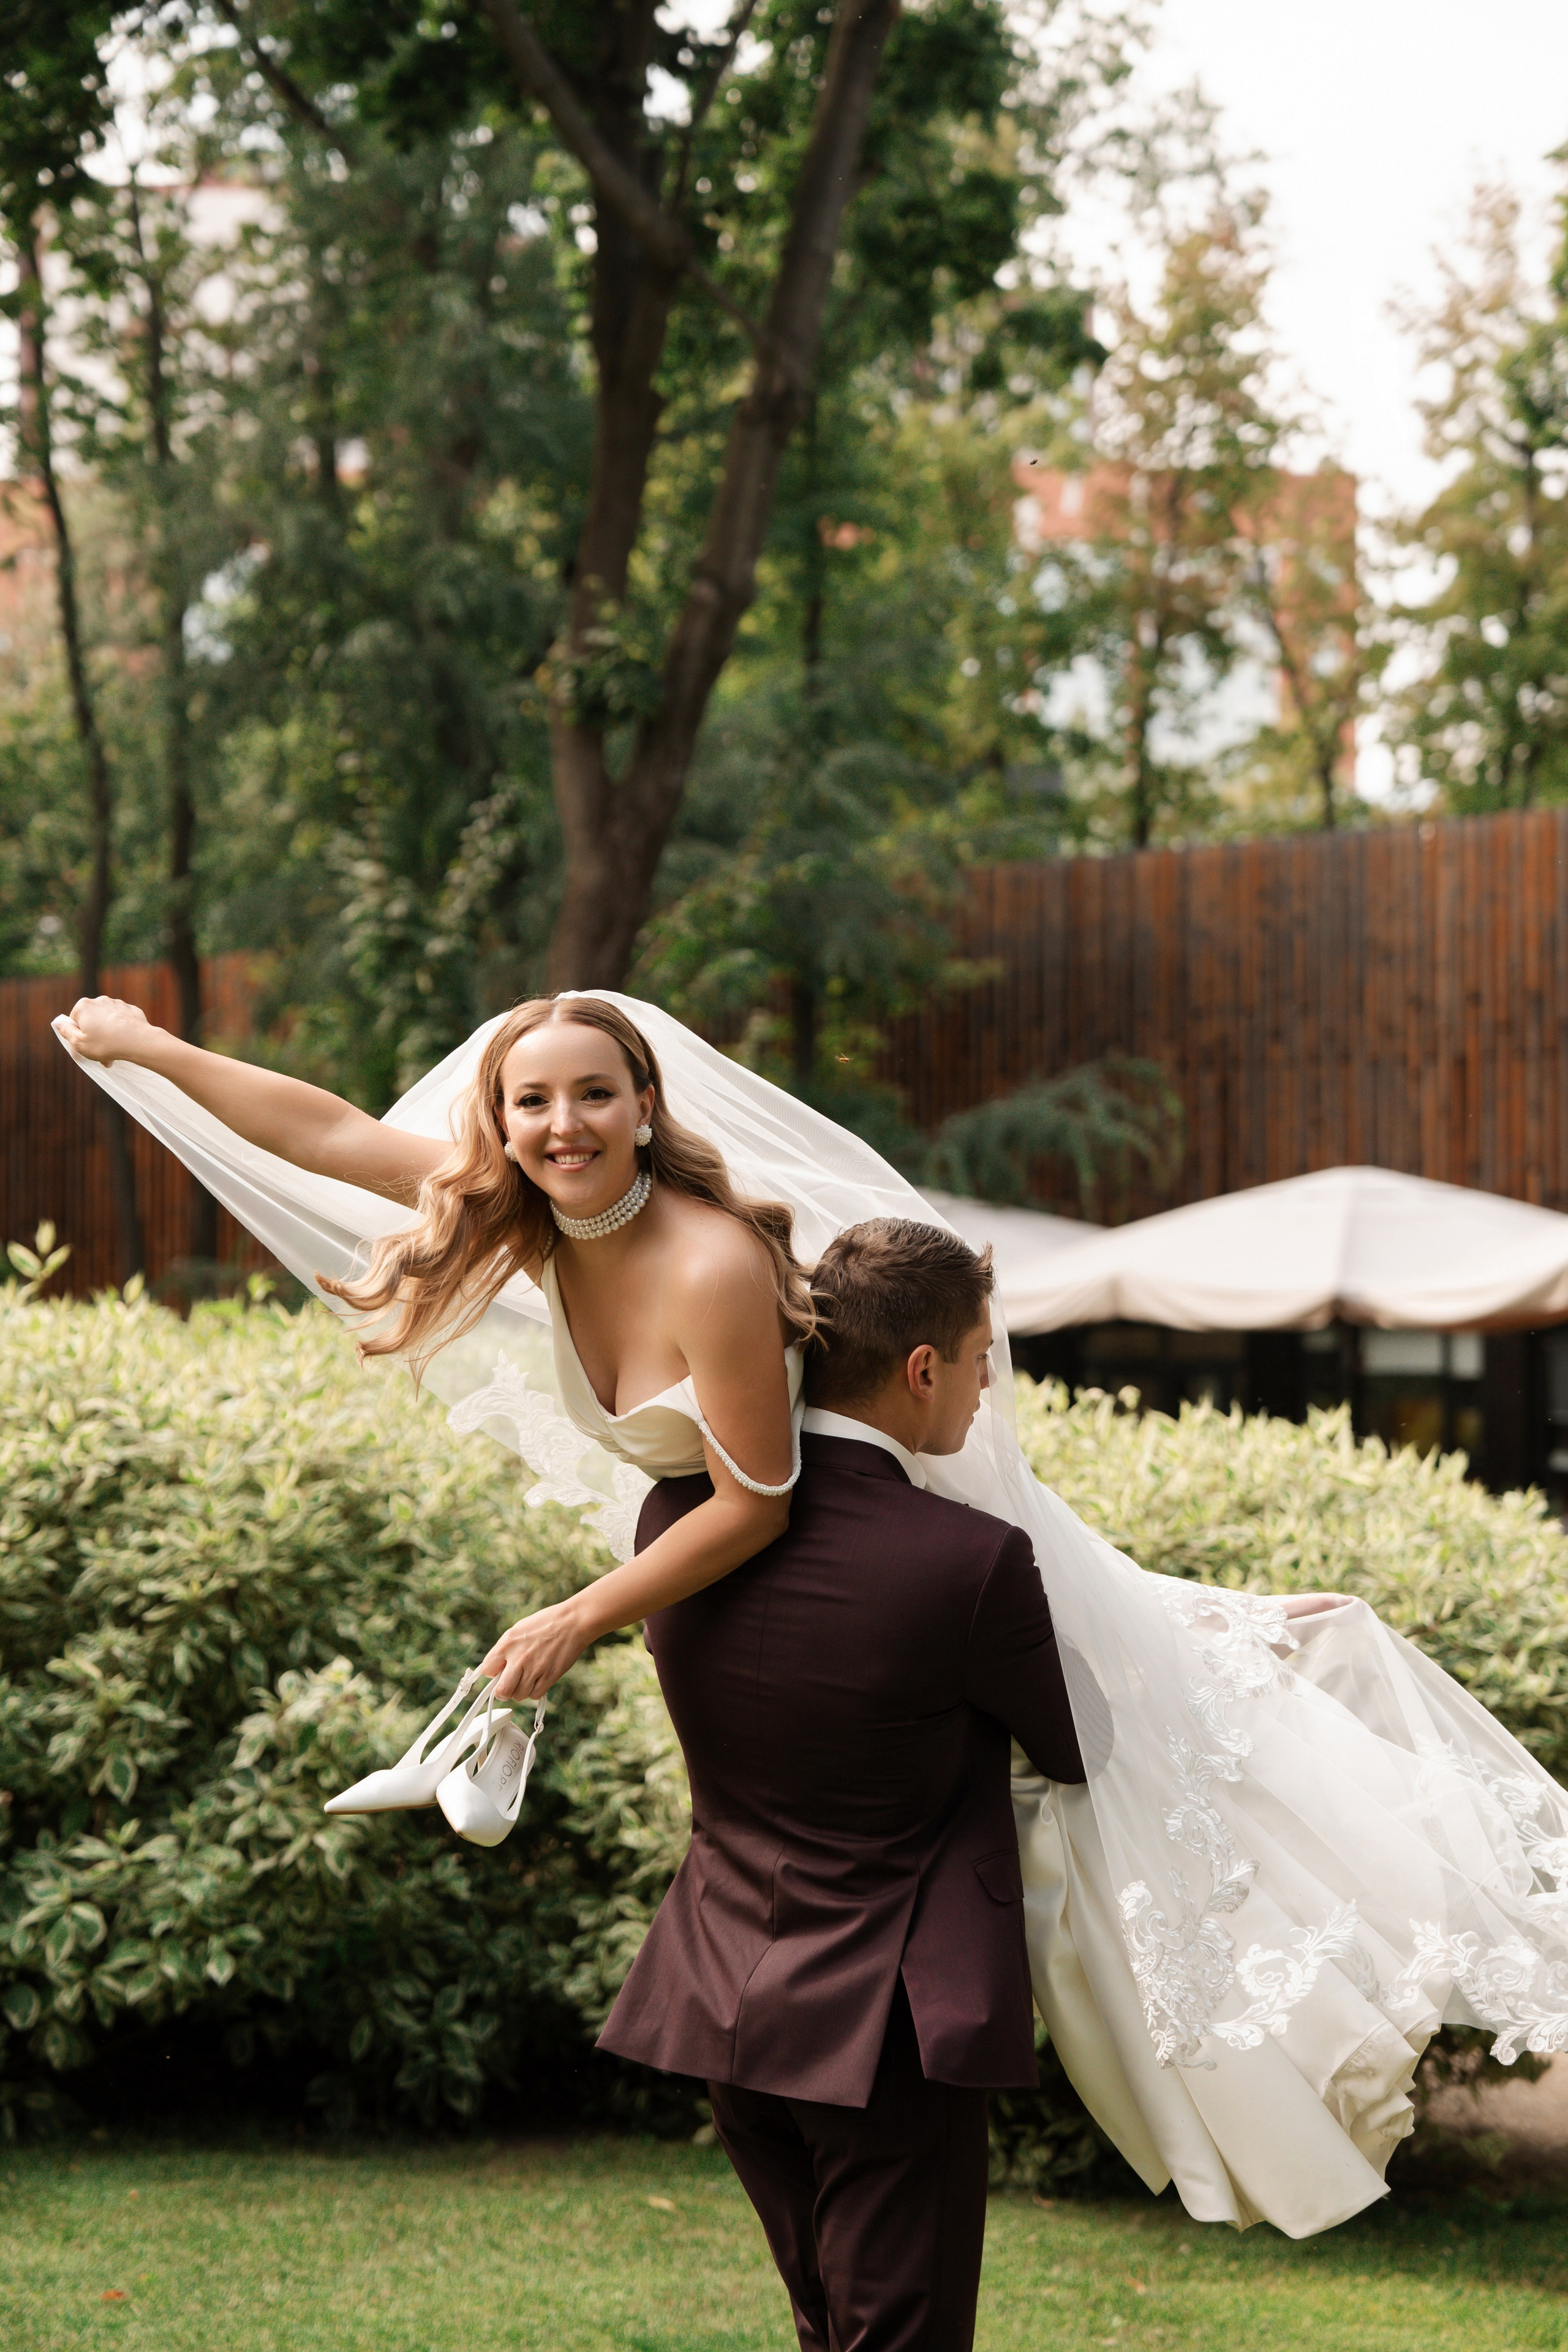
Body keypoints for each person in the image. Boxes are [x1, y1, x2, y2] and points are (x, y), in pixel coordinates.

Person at [54, 986, 1568, 2241]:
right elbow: (325, 1132)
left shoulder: (707, 1265)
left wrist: (571, 1619)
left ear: (643, 1104)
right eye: (530, 1103)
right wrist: (151, 1053)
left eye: (592, 1095)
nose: (560, 1125)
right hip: (774, 1558)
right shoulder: (523, 1214)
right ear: (500, 1124)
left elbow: (756, 1503)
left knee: (1160, 1730)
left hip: (811, 1521)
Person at [598, 1219, 1098, 2352]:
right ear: (922, 1369)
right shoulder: (968, 1562)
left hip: (725, 1998)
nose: (983, 1391)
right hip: (888, 2025)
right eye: (981, 1360)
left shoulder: (676, 1520)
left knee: (830, 2325)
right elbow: (1076, 1749)